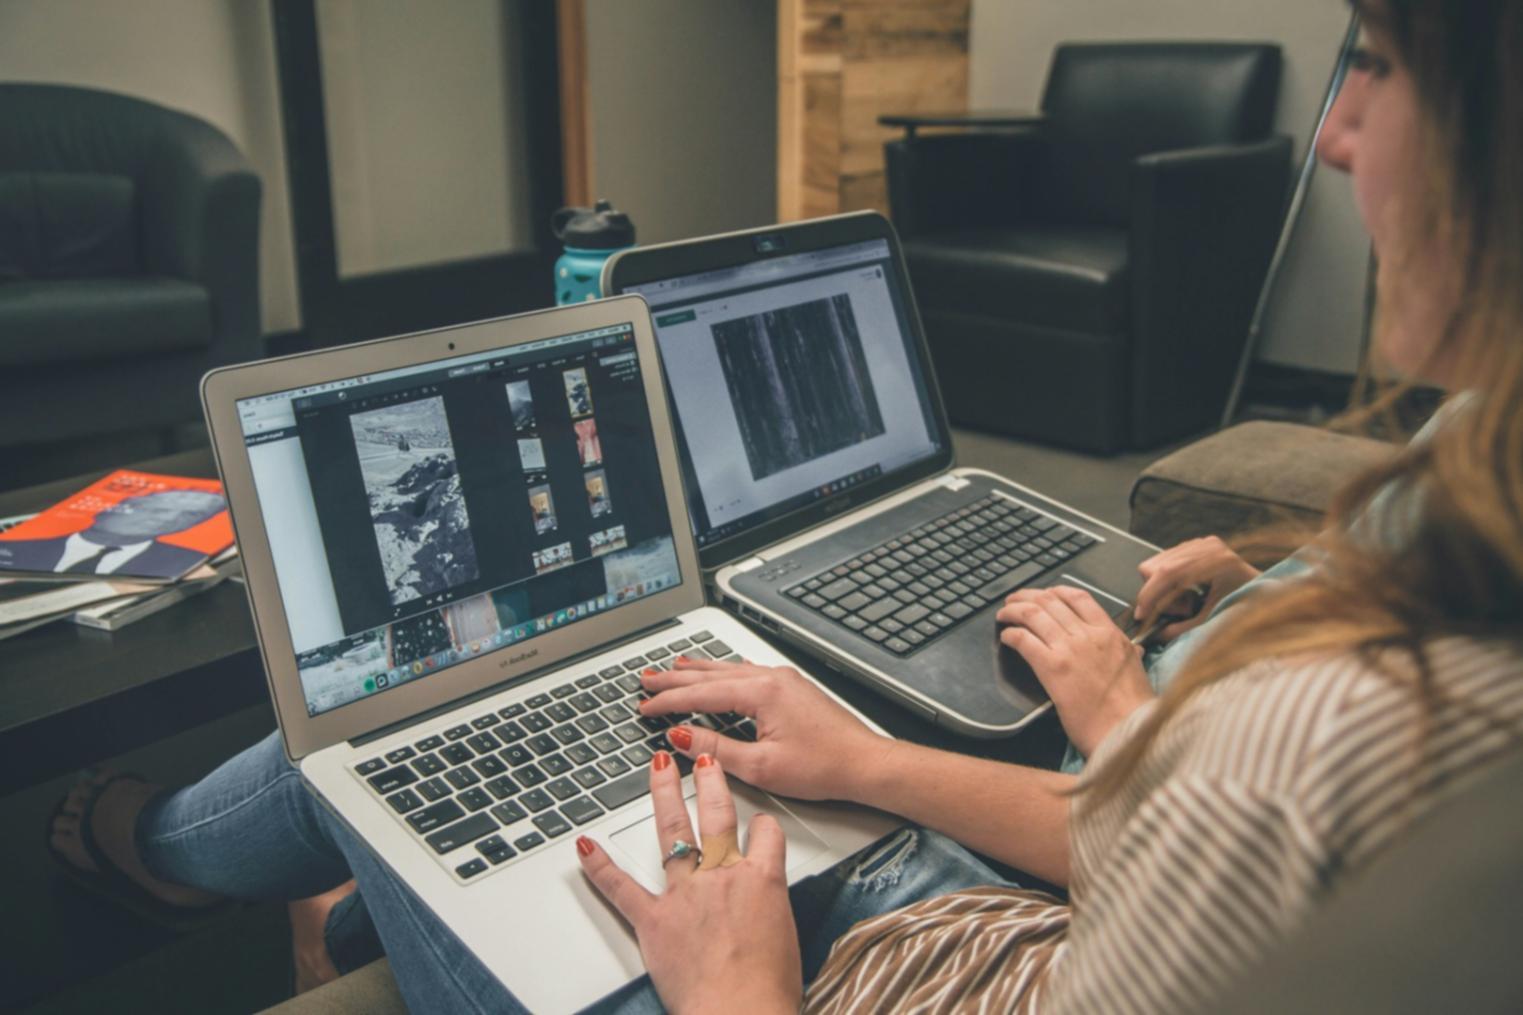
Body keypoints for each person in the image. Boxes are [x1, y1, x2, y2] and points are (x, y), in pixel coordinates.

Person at [46, 2, 1523, 1010]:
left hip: (878, 963)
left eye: (1377, 64)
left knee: (384, 721)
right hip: (988, 908)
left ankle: (157, 854)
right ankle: (249, 872)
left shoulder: (1417, 739)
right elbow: (1209, 869)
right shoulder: (1478, 501)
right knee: (552, 696)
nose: (1333, 132)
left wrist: (741, 984)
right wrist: (876, 762)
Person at [0, 489, 224, 576]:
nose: (168, 518)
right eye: (159, 508)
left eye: (190, 515)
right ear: (119, 506)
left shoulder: (187, 565)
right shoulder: (12, 552)